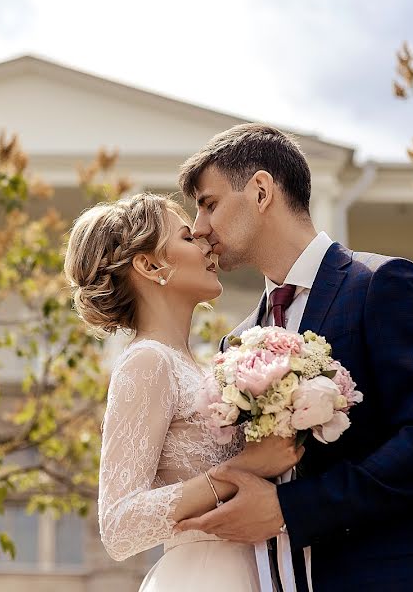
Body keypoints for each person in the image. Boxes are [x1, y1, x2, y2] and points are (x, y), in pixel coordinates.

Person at [174, 123, 413, 591]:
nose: (199, 227)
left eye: (209, 203)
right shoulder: (238, 342)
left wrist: (293, 511)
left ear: (261, 191)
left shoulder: (382, 284)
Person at [63, 193, 302, 591]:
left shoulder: (213, 365)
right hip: (205, 575)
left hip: (262, 570)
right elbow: (119, 526)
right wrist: (239, 471)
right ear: (150, 264)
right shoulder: (146, 363)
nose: (208, 245)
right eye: (189, 238)